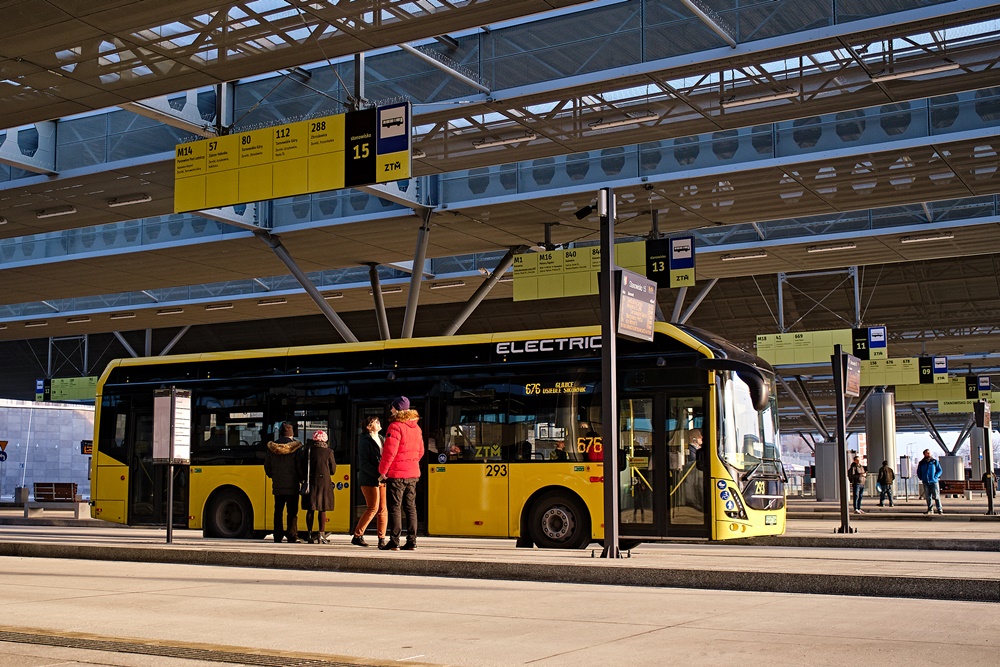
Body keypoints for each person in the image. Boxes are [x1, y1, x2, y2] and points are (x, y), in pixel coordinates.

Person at [378, 396, 425, 551]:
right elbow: (420, 452)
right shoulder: (416, 427)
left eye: (392, 407)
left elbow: (389, 452)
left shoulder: (395, 426)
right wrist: (411, 462)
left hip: (397, 474)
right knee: (411, 507)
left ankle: (394, 541)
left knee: (395, 507)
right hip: (413, 474)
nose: (390, 409)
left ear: (397, 409)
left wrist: (383, 471)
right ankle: (412, 541)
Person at [264, 422, 303, 543]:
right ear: (292, 435)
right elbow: (299, 466)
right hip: (292, 486)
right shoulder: (296, 448)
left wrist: (274, 477)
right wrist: (300, 479)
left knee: (278, 511)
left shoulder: (272, 448)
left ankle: (277, 535)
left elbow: (267, 467)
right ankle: (292, 535)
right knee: (292, 512)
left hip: (278, 486)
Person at [352, 416, 387, 548]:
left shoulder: (382, 439)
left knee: (383, 509)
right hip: (369, 480)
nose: (378, 423)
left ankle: (382, 539)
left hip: (382, 478)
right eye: (375, 422)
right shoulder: (364, 441)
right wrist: (379, 475)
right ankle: (357, 535)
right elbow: (364, 464)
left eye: (379, 421)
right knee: (373, 508)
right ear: (368, 427)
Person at [301, 430, 336, 544]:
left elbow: (303, 467)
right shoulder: (329, 452)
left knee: (311, 509)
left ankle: (310, 534)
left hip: (310, 483)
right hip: (324, 484)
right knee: (322, 509)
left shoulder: (308, 451)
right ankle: (321, 535)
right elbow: (333, 470)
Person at [916, 449, 944, 515]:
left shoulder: (934, 461)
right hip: (925, 481)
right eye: (926, 453)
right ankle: (930, 509)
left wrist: (936, 476)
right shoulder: (921, 463)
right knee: (928, 497)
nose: (927, 454)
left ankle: (939, 509)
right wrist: (921, 477)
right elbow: (918, 472)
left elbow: (939, 470)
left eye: (928, 453)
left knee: (936, 496)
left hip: (933, 481)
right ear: (924, 454)